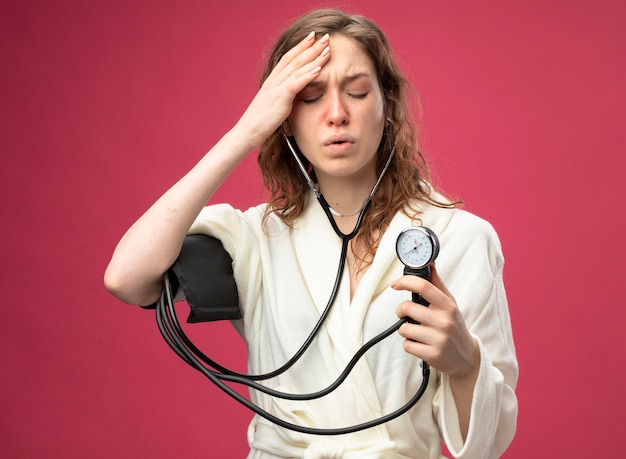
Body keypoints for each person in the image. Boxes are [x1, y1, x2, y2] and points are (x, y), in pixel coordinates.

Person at [104, 8, 518, 459]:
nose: (337, 114)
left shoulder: (460, 237)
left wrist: (465, 363)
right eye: (310, 97)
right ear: (284, 117)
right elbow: (127, 279)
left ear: (389, 104)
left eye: (357, 92)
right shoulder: (255, 239)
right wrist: (246, 131)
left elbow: (486, 446)